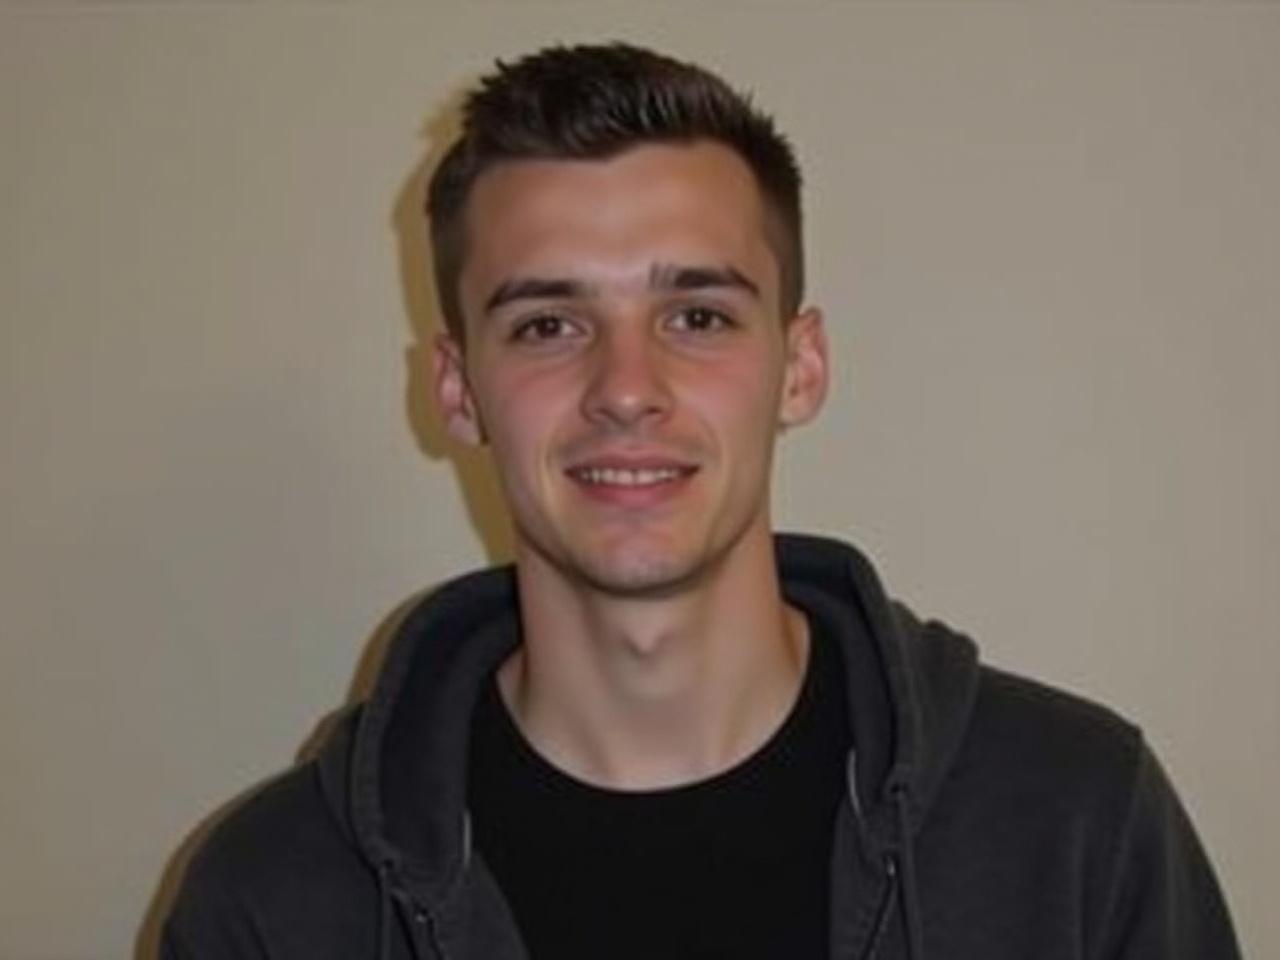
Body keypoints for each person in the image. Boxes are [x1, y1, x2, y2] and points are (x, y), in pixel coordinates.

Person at [162, 43, 1240, 960]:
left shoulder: (1075, 822)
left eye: (697, 316)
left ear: (800, 365)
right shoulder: (275, 902)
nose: (625, 387)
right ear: (456, 388)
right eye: (547, 323)